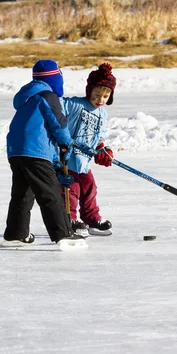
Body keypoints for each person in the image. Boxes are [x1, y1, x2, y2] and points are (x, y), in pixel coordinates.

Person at [1, 59, 85, 248]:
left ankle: (16, 234)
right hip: (34, 152)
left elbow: (39, 132)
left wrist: (56, 162)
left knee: (23, 193)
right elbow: (59, 125)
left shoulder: (28, 98)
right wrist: (66, 143)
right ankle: (63, 234)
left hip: (16, 151)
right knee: (50, 193)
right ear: (56, 79)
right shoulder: (48, 96)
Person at [60, 62, 117, 236]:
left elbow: (99, 135)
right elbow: (55, 106)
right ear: (89, 91)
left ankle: (91, 219)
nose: (100, 100)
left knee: (90, 188)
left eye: (105, 96)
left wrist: (103, 149)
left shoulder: (102, 113)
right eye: (97, 94)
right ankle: (69, 220)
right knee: (71, 191)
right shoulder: (76, 104)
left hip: (84, 161)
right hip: (67, 159)